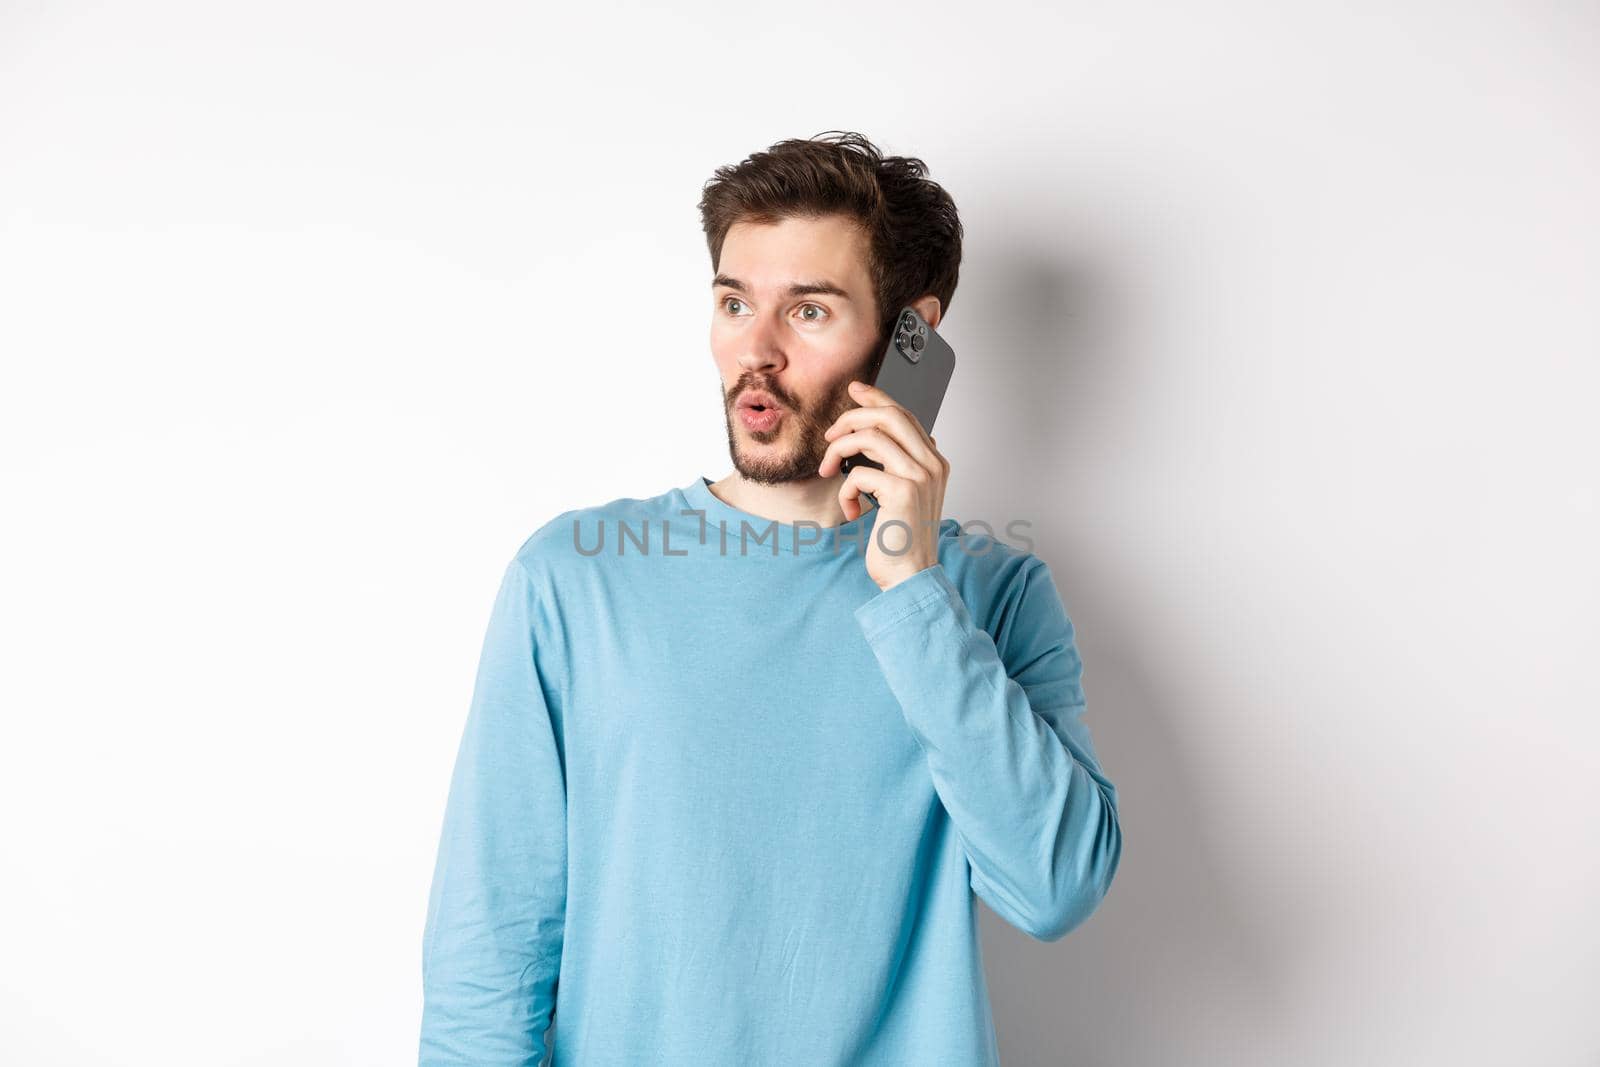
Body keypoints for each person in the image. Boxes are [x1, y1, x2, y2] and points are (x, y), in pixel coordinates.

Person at [418, 130, 1123, 1066]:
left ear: (910, 336)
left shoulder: (992, 592)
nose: (756, 349)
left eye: (809, 311)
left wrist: (912, 585)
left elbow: (1056, 885)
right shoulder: (575, 579)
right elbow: (493, 947)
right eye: (735, 301)